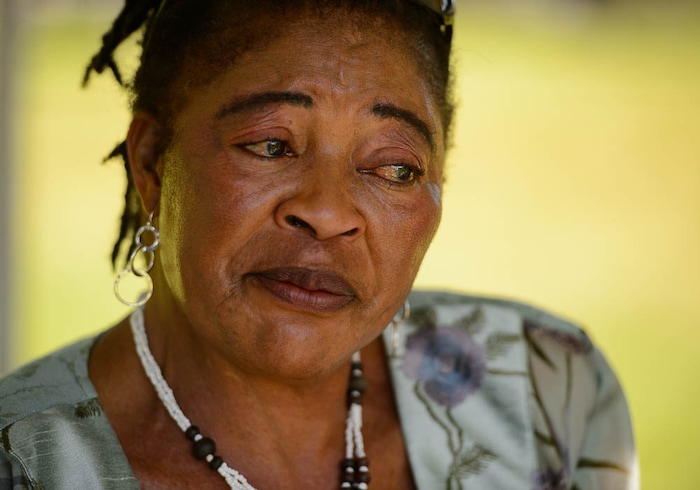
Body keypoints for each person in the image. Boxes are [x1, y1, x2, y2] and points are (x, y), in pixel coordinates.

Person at [0, 0, 637, 488]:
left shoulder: (547, 389)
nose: (328, 213)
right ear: (151, 163)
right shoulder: (24, 465)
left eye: (394, 167)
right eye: (270, 145)